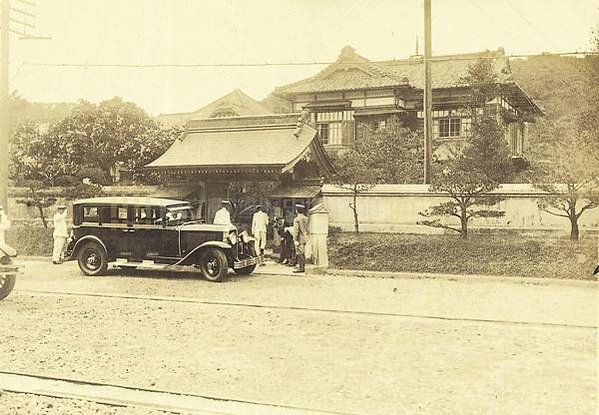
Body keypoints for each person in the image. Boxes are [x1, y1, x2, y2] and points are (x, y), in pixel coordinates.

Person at [292, 204, 309, 273]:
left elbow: (296, 230)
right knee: (303, 252)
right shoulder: (306, 218)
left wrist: (295, 239)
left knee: (299, 253)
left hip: (299, 237)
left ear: (297, 211)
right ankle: (302, 267)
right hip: (305, 237)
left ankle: (301, 268)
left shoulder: (297, 219)